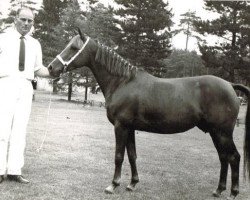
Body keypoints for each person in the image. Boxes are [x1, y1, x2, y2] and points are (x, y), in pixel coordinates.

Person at [0, 7, 50, 184]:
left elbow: (39, 69)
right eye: (23, 19)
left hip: (26, 86)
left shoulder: (35, 43)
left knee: (20, 130)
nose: (26, 23)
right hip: (5, 84)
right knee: (2, 128)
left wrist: (55, 71)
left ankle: (14, 170)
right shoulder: (2, 38)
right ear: (15, 19)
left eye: (30, 21)